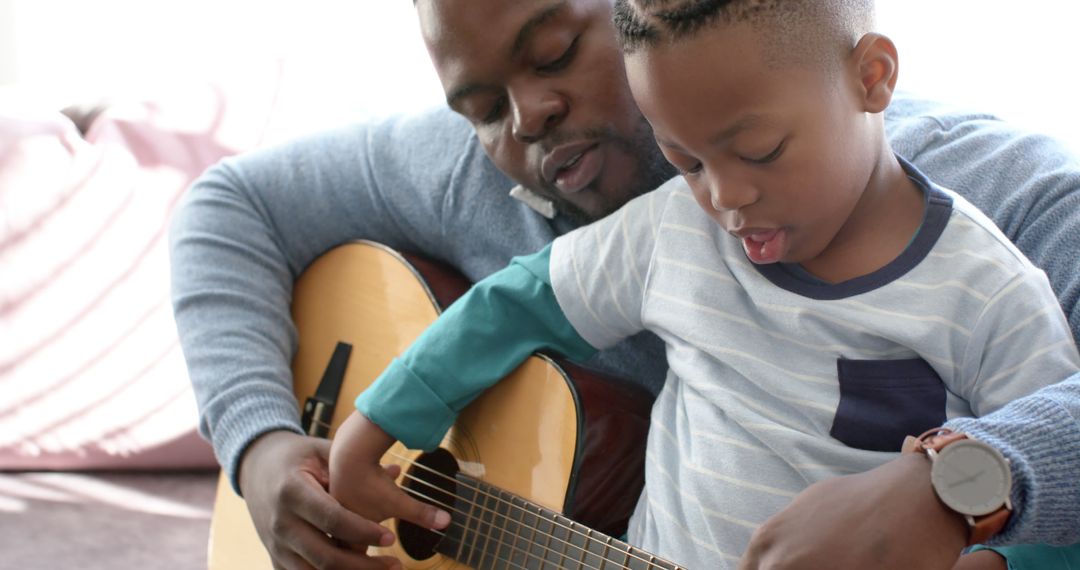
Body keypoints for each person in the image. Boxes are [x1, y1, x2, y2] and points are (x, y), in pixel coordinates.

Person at [168, 0, 1080, 569]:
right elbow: (230, 205)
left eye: (557, 50)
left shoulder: (984, 190)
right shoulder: (474, 170)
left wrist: (966, 481)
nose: (528, 116)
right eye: (482, 107)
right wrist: (262, 448)